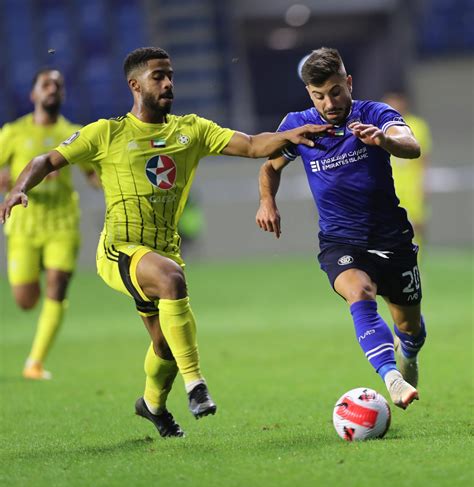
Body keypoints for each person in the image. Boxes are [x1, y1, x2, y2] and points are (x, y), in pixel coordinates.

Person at [0, 47, 331, 438]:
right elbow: (45, 161)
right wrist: (18, 189)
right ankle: (197, 385)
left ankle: (152, 405)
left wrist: (288, 135)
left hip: (162, 250)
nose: (168, 82)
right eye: (158, 76)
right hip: (119, 249)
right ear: (135, 84)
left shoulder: (191, 130)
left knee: (165, 345)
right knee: (172, 280)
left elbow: (252, 145)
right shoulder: (107, 133)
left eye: (170, 74)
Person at [256, 47, 427, 411]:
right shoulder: (298, 125)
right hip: (340, 240)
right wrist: (267, 202)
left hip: (392, 238)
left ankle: (407, 354)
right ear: (309, 94)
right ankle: (390, 377)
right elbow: (270, 167)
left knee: (410, 328)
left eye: (335, 91)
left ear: (348, 82)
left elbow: (411, 146)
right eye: (319, 95)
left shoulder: (375, 114)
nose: (328, 102)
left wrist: (384, 141)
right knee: (359, 291)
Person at [0, 68, 98, 381]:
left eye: (58, 84)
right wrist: (7, 180)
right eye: (46, 84)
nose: (53, 88)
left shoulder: (74, 133)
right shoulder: (13, 133)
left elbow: (92, 175)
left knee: (57, 286)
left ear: (63, 94)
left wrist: (108, 180)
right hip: (24, 224)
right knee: (26, 301)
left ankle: (35, 362)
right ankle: (36, 280)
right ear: (33, 95)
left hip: (62, 222)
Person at [383, 91, 432, 253]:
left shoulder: (417, 125)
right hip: (390, 185)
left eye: (397, 101)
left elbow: (424, 158)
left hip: (412, 186)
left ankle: (416, 262)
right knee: (389, 227)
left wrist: (424, 183)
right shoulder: (380, 125)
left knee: (416, 226)